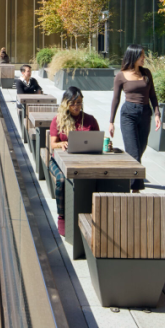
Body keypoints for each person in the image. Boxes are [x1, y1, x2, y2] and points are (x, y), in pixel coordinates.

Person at [108, 45, 160, 191]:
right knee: (134, 153)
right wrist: (111, 121)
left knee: (140, 149)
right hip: (128, 114)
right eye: (141, 55)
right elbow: (116, 99)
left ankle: (127, 171)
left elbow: (153, 96)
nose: (144, 58)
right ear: (133, 56)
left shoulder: (147, 73)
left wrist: (157, 114)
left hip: (145, 113)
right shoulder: (121, 75)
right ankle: (135, 189)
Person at [47, 87, 99, 235]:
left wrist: (105, 145)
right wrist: (60, 144)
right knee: (62, 180)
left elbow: (97, 140)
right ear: (66, 103)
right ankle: (62, 215)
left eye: (79, 102)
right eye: (73, 103)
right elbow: (52, 144)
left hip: (84, 161)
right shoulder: (58, 120)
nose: (76, 106)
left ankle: (93, 213)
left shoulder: (89, 120)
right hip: (58, 161)